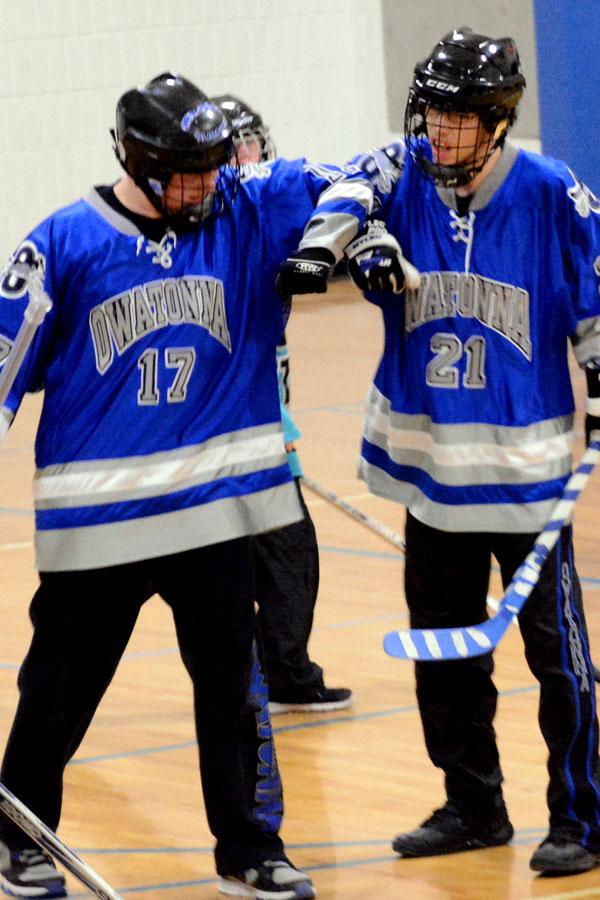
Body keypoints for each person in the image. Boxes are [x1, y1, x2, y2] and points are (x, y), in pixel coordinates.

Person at [0, 72, 374, 899]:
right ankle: (19, 836)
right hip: (99, 522)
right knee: (59, 687)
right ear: (138, 160)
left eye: (215, 166)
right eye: (190, 171)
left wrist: (350, 235)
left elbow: (370, 169)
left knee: (233, 693)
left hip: (213, 512)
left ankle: (250, 847)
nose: (210, 184)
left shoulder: (242, 208)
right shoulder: (62, 243)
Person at [337, 27, 600, 876]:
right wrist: (358, 243)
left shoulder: (553, 191)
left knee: (558, 663)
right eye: (432, 114)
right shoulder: (398, 175)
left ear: (497, 121)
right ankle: (473, 805)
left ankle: (582, 818)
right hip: (432, 478)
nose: (437, 133)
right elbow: (334, 198)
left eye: (458, 118)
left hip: (526, 482)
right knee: (445, 656)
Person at [212, 93, 353, 714]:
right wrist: (276, 421)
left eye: (251, 144)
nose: (251, 157)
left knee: (264, 559)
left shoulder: (262, 225)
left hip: (257, 436)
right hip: (240, 438)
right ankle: (286, 675)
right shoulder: (222, 240)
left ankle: (278, 672)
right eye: (236, 148)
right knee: (287, 554)